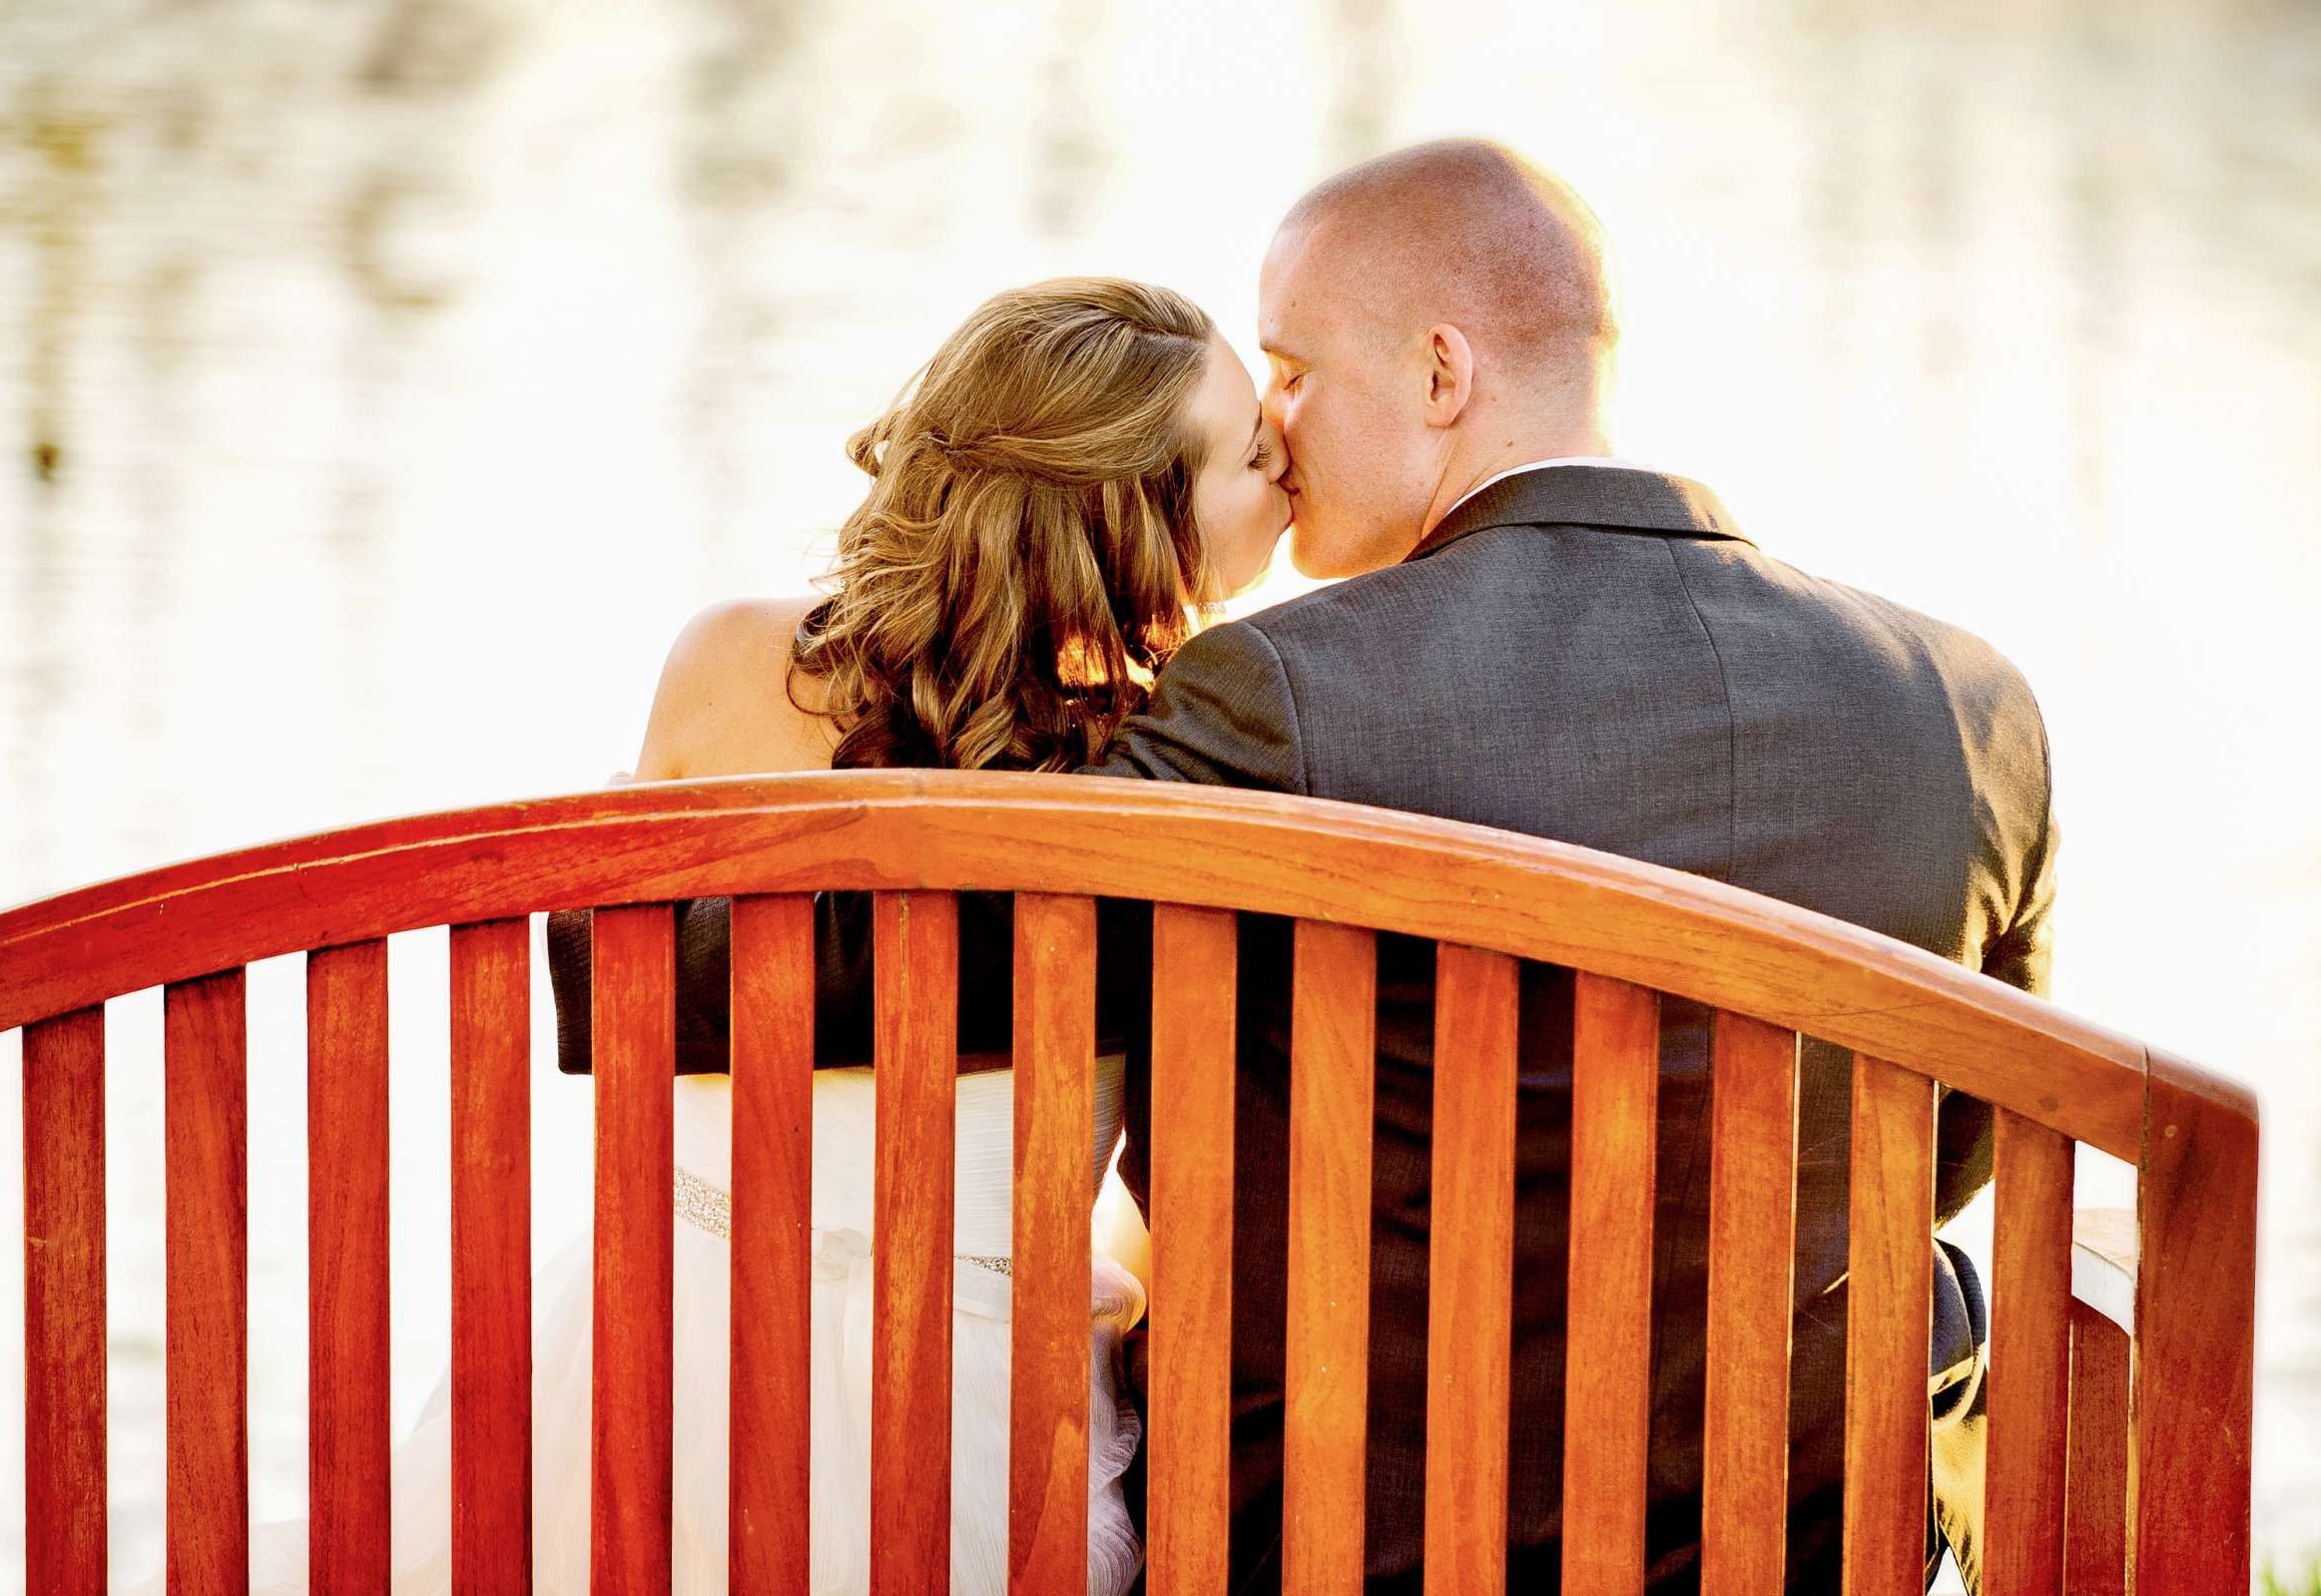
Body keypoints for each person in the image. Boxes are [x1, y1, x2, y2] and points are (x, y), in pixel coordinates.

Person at [156, 276, 1291, 1595]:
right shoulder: (1167, 779)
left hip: (643, 1360)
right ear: (1129, 530)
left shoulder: (726, 665)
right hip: (955, 1428)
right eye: (1258, 456)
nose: (1291, 473)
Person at [1086, 140, 2048, 1592]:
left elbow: (927, 975)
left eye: (1289, 367)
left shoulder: (1279, 694)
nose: (1272, 429)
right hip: (1802, 1550)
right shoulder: (1966, 706)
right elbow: (1956, 1155)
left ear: (1439, 376)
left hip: (1349, 1548)